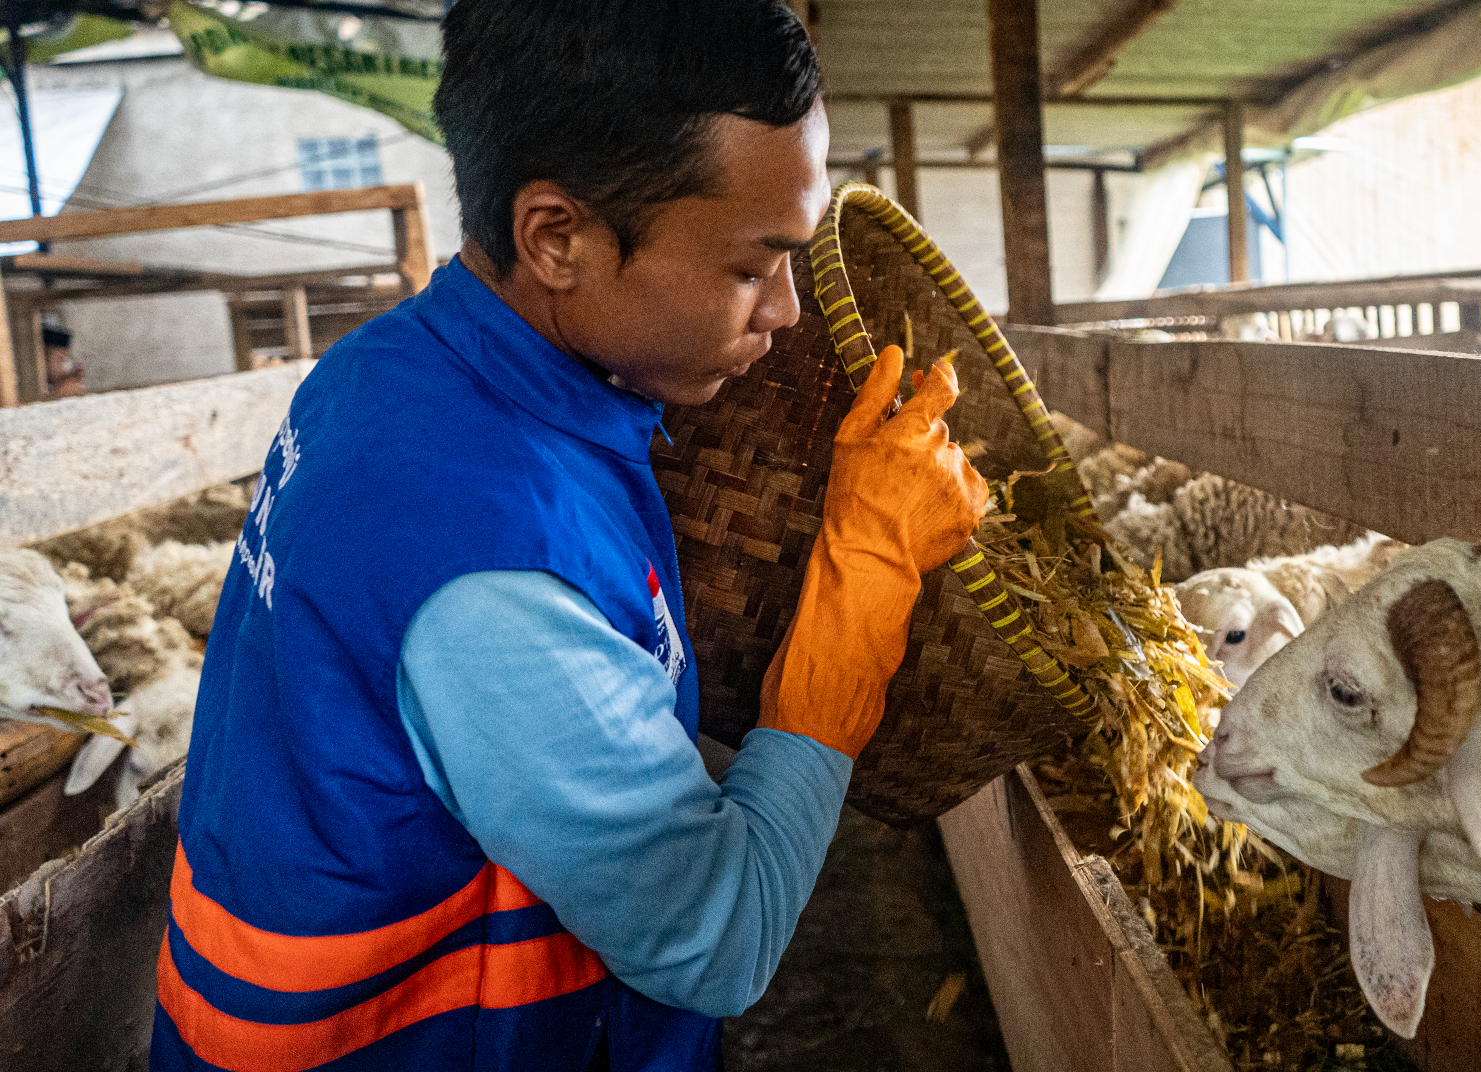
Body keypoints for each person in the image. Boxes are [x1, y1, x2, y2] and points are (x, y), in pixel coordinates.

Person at [149, 3, 986, 1070]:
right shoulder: (488, 564)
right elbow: (719, 944)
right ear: (557, 238)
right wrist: (861, 582)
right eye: (751, 265)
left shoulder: (390, 368)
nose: (785, 309)